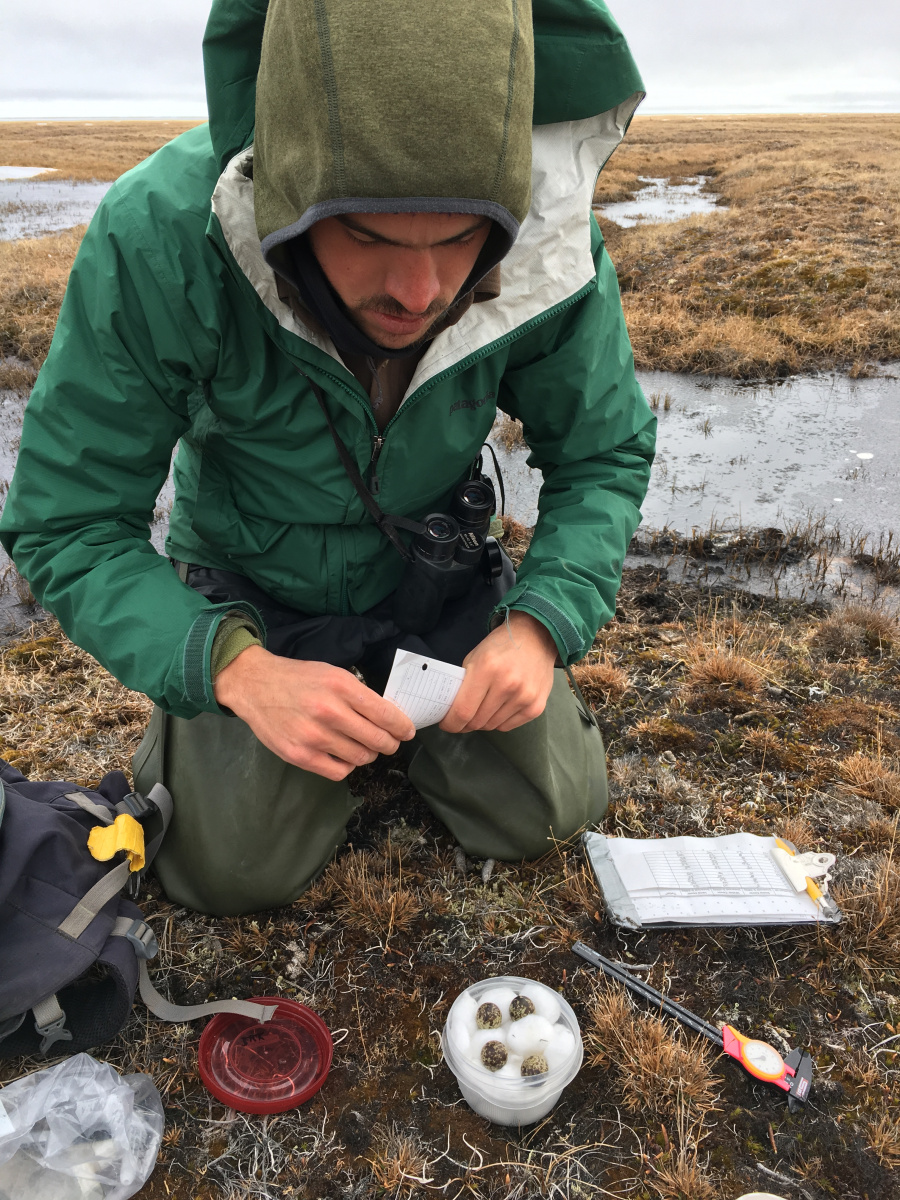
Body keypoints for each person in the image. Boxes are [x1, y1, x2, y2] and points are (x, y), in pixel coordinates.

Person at [0, 0, 656, 915]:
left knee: (554, 812)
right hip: (251, 585)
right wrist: (230, 666)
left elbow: (605, 452)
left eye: (462, 240)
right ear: (288, 195)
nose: (419, 292)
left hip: (436, 573)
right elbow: (67, 521)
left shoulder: (547, 241)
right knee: (224, 873)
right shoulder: (160, 235)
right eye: (371, 238)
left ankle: (403, 709)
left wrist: (540, 623)